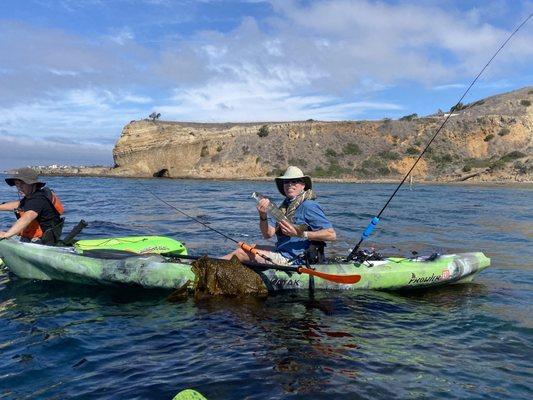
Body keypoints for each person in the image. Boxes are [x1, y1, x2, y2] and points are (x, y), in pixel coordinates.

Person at [224, 166, 336, 265]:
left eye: (295, 181)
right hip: (282, 251)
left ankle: (211, 266)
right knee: (248, 246)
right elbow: (268, 234)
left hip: (296, 259)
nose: (290, 185)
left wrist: (301, 233)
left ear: (303, 185)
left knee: (240, 253)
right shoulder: (283, 208)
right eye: (286, 182)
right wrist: (263, 215)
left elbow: (331, 235)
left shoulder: (309, 206)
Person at [0, 168, 64, 245]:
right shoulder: (31, 196)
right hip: (33, 238)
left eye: (22, 183)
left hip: (42, 242)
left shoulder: (38, 199)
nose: (19, 187)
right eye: (17, 183)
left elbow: (27, 217)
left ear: (33, 184)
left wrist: (6, 235)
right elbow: (18, 205)